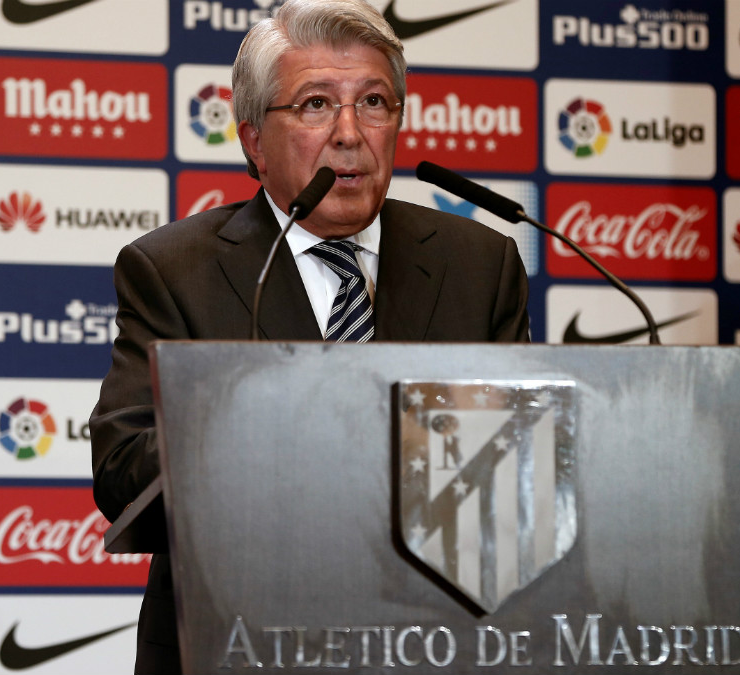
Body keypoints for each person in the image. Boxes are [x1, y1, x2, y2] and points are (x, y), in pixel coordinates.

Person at [90, 0, 530, 671]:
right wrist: (256, 424)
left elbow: (519, 465)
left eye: (375, 102)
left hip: (436, 641)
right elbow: (122, 468)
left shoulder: (479, 265)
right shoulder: (174, 270)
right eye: (316, 104)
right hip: (238, 641)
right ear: (253, 140)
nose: (349, 132)